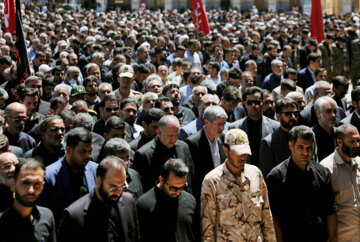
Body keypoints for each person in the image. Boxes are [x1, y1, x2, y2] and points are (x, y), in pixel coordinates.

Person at [201, 129, 276, 241]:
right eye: (238, 153)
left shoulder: (255, 174)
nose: (242, 157)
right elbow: (208, 227)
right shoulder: (212, 181)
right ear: (225, 151)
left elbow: (266, 217)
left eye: (245, 152)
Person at [266, 126, 338, 242]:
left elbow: (330, 210)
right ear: (291, 146)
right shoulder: (277, 176)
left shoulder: (321, 171)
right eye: (301, 147)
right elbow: (274, 218)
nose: (306, 152)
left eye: (309, 148)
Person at [58, 156, 139, 242]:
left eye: (122, 186)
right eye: (113, 188)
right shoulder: (74, 216)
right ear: (99, 181)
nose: (118, 193)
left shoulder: (129, 201)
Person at [38, 127, 98, 227]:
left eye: (90, 151)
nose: (88, 156)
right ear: (69, 149)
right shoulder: (49, 175)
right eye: (83, 151)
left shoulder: (96, 170)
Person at [136, 158, 196, 242]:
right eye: (173, 188)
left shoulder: (190, 201)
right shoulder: (144, 204)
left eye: (182, 187)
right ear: (161, 180)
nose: (178, 192)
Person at [133, 115, 194, 193]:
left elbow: (190, 178)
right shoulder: (143, 154)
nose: (174, 139)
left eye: (176, 135)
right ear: (158, 132)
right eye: (170, 136)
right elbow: (141, 187)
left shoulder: (184, 147)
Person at [0, 159, 56, 242]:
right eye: (25, 183)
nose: (31, 190)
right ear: (13, 185)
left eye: (37, 184)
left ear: (42, 186)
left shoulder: (47, 216)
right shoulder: (2, 223)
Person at [320, 124, 360, 241]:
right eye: (352, 141)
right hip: (342, 237)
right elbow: (325, 210)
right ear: (339, 142)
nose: (357, 145)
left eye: (358, 140)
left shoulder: (359, 163)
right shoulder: (327, 168)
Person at [185, 105, 227, 201]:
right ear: (207, 122)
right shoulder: (192, 143)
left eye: (224, 124)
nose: (222, 128)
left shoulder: (223, 138)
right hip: (203, 195)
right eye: (219, 124)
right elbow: (191, 177)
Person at [229, 86, 279, 167]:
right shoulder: (234, 127)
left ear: (263, 102)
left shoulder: (275, 127)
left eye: (257, 102)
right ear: (244, 103)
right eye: (249, 103)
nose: (253, 105)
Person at [259, 97, 299, 177]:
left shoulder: (305, 137)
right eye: (288, 114)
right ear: (278, 116)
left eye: (296, 113)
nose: (293, 117)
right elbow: (267, 176)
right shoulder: (269, 143)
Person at [312, 96, 338, 161]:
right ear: (318, 114)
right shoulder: (311, 135)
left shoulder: (339, 133)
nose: (333, 115)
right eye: (328, 111)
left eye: (334, 111)